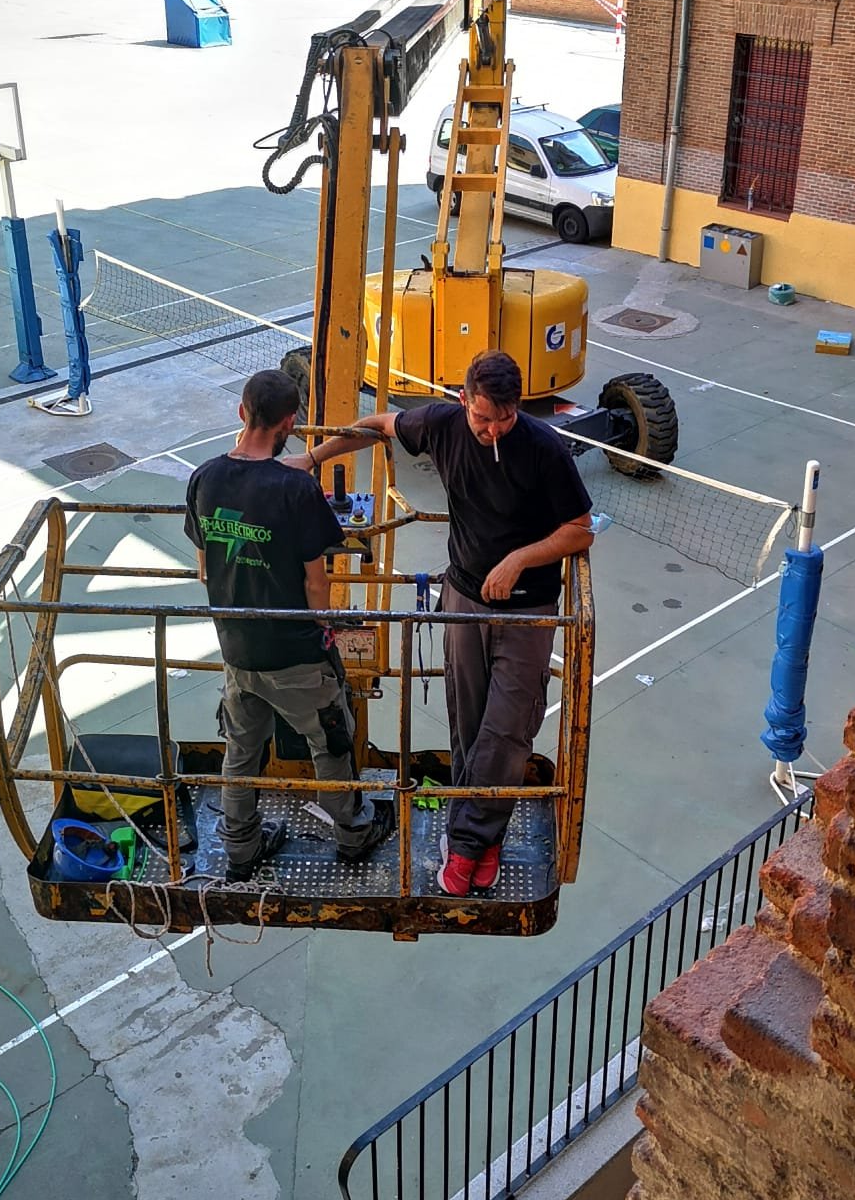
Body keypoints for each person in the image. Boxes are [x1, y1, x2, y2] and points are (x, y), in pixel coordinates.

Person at [291, 351, 593, 896]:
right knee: (469, 722)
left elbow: (579, 530)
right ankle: (481, 831)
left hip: (527, 611)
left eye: (505, 418)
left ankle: (469, 842)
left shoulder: (544, 449)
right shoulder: (439, 425)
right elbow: (374, 427)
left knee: (507, 729)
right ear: (463, 402)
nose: (494, 429)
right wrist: (313, 460)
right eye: (483, 418)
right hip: (463, 599)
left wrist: (519, 559)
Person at [185, 369, 391, 879]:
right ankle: (352, 833)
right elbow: (316, 583)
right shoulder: (295, 488)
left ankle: (240, 845)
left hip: (236, 648)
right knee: (331, 743)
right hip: (296, 653)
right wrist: (322, 628)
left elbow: (204, 565)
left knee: (241, 751)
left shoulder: (204, 477)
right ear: (290, 423)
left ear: (241, 412)